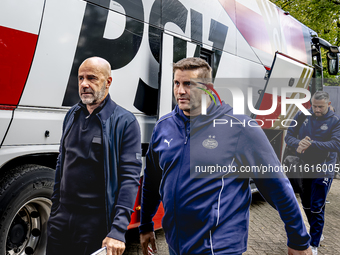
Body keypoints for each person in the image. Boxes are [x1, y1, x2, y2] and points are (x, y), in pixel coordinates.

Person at [139, 57, 312, 255]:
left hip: (219, 247)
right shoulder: (163, 127)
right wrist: (145, 225)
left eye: (188, 84)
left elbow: (276, 185)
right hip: (176, 246)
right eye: (176, 83)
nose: (180, 91)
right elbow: (152, 182)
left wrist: (298, 239)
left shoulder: (239, 128)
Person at [46, 57, 142, 255]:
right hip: (61, 221)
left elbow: (130, 179)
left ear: (108, 82)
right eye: (80, 78)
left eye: (91, 78)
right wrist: (55, 211)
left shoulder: (125, 122)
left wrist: (118, 230)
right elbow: (61, 163)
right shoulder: (72, 114)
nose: (84, 84)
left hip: (96, 223)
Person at [285, 91, 340, 255]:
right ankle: (318, 232)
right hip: (304, 166)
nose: (316, 109)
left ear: (328, 105)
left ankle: (314, 244)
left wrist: (311, 144)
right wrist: (298, 143)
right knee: (307, 204)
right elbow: (289, 136)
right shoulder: (302, 115)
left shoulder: (335, 121)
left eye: (320, 107)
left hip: (324, 168)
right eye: (314, 106)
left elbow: (336, 144)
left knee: (317, 206)